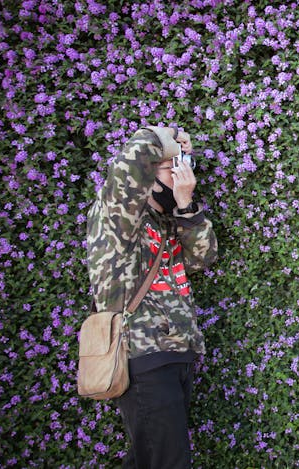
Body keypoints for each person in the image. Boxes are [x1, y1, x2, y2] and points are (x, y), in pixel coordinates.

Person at [86, 125, 218, 468]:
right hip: (143, 356)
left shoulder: (166, 221)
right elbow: (129, 161)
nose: (183, 174)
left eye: (184, 166)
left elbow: (202, 257)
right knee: (167, 461)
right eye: (173, 167)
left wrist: (186, 204)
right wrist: (169, 136)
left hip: (176, 352)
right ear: (147, 174)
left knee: (150, 459)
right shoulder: (118, 216)